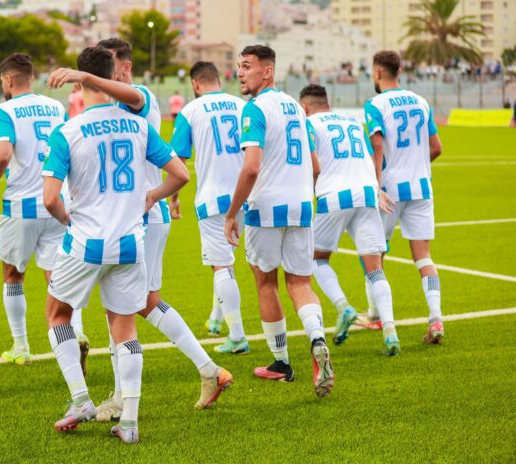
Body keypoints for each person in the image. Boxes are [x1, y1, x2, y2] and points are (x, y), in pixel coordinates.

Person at [48, 37, 233, 421]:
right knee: (132, 306)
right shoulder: (114, 107)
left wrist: (86, 76)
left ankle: (199, 373)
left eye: (113, 69)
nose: (109, 78)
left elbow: (124, 98)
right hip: (132, 215)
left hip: (140, 215)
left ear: (125, 68)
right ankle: (187, 377)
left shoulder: (140, 96)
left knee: (131, 309)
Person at [41, 46, 190, 444]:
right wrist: (152, 195)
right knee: (125, 330)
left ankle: (80, 399)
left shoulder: (67, 131)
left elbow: (51, 199)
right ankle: (129, 422)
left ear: (80, 81)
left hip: (86, 243)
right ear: (111, 75)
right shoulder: (138, 125)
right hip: (129, 243)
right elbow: (180, 175)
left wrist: (66, 220)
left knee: (57, 313)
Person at [224, 45, 334, 398]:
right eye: (238, 67)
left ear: (266, 72)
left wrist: (231, 213)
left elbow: (251, 167)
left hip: (266, 209)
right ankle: (317, 339)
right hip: (301, 206)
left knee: (266, 283)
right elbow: (316, 167)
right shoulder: (297, 109)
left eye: (246, 67)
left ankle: (281, 363)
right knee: (300, 283)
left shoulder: (255, 109)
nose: (240, 73)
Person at [0, 53, 70, 367]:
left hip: (22, 206)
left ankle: (21, 346)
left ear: (7, 80)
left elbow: (3, 154)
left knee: (13, 275)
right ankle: (75, 335)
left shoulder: (5, 109)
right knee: (56, 276)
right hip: (57, 202)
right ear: (31, 77)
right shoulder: (56, 107)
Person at [299, 84, 399, 355]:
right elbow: (372, 157)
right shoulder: (352, 122)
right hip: (367, 194)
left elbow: (311, 165)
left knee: (316, 259)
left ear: (305, 107)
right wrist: (375, 190)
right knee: (375, 268)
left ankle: (344, 307)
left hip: (334, 195)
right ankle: (389, 330)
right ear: (327, 104)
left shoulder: (308, 124)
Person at [365, 50, 444, 344]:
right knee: (423, 257)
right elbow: (436, 148)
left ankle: (379, 318)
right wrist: (418, 167)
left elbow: (377, 148)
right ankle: (435, 319)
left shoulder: (375, 104)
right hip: (422, 187)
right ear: (399, 71)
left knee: (376, 253)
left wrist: (377, 185)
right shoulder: (422, 102)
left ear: (377, 73)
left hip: (390, 191)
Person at [170, 61, 249, 352]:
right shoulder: (242, 106)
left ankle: (238, 336)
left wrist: (174, 197)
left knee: (221, 265)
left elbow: (177, 157)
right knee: (229, 263)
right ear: (218, 79)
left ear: (195, 84)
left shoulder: (190, 111)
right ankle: (216, 318)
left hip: (213, 197)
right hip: (246, 195)